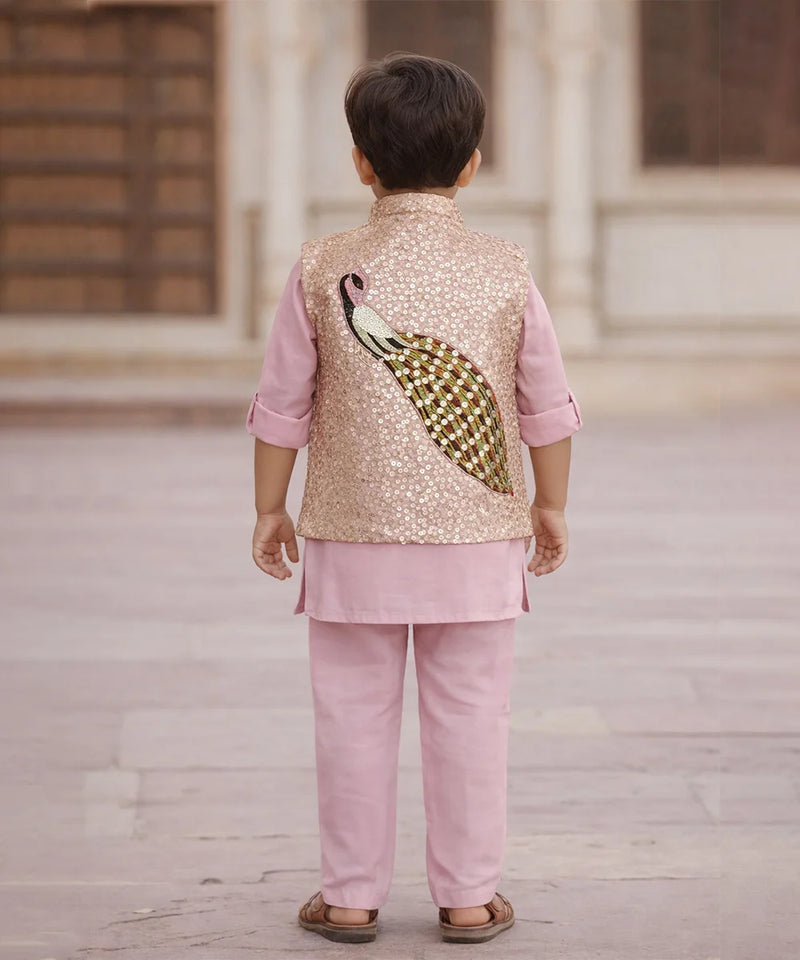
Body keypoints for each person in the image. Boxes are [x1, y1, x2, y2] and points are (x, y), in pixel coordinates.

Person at [246, 52, 582, 945]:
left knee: (349, 716)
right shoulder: (506, 269)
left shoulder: (322, 268)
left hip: (351, 538)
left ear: (360, 160)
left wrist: (269, 507)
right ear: (471, 163)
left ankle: (351, 896)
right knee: (473, 716)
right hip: (476, 541)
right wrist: (548, 504)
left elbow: (283, 404)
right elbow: (543, 404)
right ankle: (469, 897)